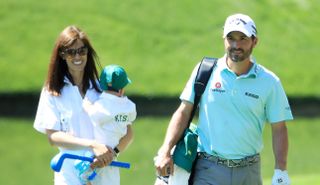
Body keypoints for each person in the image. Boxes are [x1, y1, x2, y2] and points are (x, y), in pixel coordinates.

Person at [155, 13, 293, 185]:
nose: (236, 45)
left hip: (249, 171)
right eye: (231, 38)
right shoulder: (205, 70)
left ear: (254, 41)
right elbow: (184, 111)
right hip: (208, 167)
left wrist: (281, 170)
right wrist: (165, 150)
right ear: (224, 40)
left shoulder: (269, 82)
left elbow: (279, 128)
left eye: (243, 38)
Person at [33, 25, 133, 185]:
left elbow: (127, 132)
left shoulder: (104, 89)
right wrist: (92, 145)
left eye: (82, 50)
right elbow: (53, 136)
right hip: (70, 174)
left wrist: (110, 154)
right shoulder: (52, 91)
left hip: (105, 174)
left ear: (88, 52)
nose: (77, 56)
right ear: (62, 54)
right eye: (71, 52)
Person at [79, 64, 136, 185]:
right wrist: (113, 152)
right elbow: (129, 131)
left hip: (96, 156)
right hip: (112, 156)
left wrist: (87, 101)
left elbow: (88, 109)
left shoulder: (100, 107)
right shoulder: (130, 107)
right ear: (121, 90)